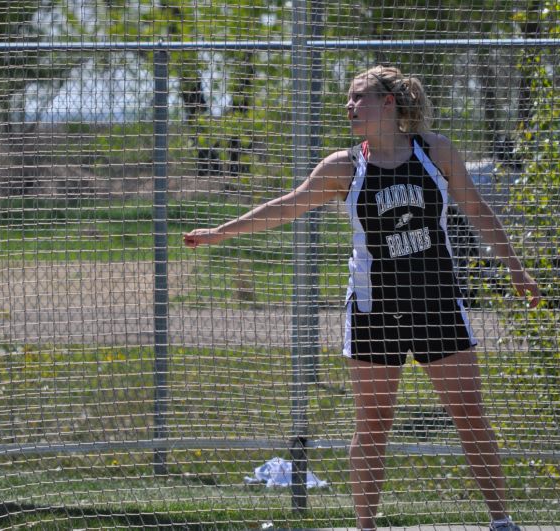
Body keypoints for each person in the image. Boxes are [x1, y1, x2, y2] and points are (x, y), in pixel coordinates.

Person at [183, 65, 541, 531]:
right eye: (348, 99)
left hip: (437, 305)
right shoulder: (345, 165)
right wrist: (220, 233)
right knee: (374, 423)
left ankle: (502, 521)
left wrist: (518, 271)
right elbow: (287, 205)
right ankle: (365, 527)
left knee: (469, 413)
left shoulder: (436, 152)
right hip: (376, 311)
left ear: (389, 104)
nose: (349, 107)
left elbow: (478, 210)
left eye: (359, 98)